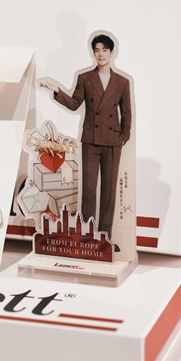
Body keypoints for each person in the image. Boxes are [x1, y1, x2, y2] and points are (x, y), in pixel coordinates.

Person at [40, 34, 131, 240]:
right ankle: (87, 236)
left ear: (112, 53)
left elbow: (126, 113)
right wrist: (56, 90)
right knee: (88, 190)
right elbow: (74, 104)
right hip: (90, 139)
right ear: (93, 53)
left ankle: (105, 237)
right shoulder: (84, 78)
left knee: (109, 192)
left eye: (104, 50)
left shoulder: (122, 82)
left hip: (112, 141)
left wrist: (123, 137)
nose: (101, 54)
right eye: (97, 50)